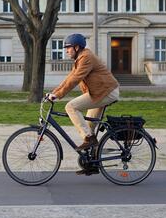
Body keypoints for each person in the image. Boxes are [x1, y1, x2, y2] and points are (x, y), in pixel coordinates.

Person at [46, 34, 119, 174]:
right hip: (99, 92)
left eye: (68, 48)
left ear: (76, 47)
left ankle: (89, 139)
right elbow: (70, 78)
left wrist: (58, 95)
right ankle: (92, 163)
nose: (66, 51)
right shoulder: (80, 59)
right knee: (89, 128)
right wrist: (54, 92)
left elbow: (75, 79)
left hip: (106, 92)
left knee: (71, 106)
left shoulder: (86, 58)